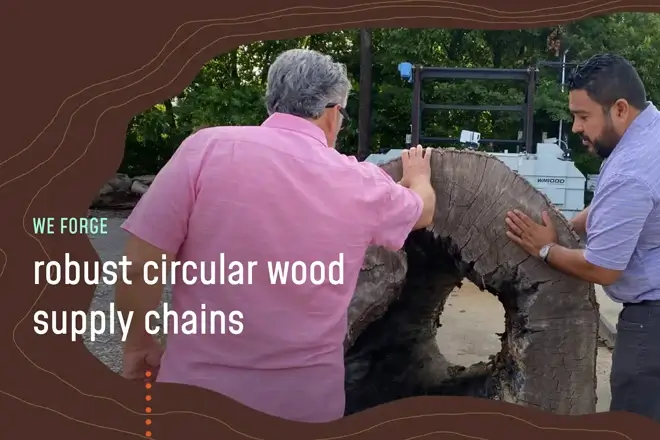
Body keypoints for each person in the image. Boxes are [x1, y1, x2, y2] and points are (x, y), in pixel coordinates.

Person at [114, 48, 437, 423]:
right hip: (305, 407)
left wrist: (137, 345)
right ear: (333, 114)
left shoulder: (205, 149)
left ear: (273, 102)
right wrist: (420, 177)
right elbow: (423, 211)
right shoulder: (359, 182)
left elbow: (140, 266)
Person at [503, 53, 660, 421]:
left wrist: (544, 247)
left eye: (583, 116)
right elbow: (614, 206)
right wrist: (568, 227)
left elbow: (603, 268)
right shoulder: (650, 134)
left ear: (620, 109)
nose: (575, 127)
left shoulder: (631, 171)